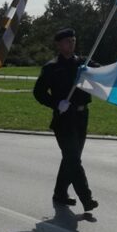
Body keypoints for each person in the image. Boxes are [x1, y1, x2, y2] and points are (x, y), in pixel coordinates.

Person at [32, 28, 99, 212]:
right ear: (59, 45)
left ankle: (60, 193)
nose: (71, 43)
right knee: (73, 158)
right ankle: (87, 198)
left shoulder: (84, 63)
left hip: (81, 116)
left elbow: (103, 74)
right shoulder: (51, 67)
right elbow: (38, 93)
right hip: (64, 118)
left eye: (73, 40)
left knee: (71, 158)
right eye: (67, 41)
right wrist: (56, 103)